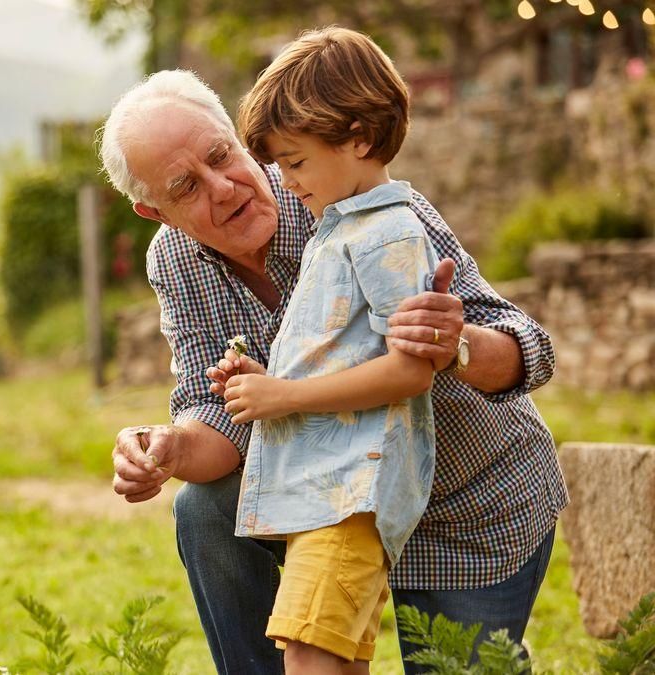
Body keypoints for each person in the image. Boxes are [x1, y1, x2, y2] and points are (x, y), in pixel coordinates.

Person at [99, 67, 567, 674]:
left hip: (463, 501)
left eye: (222, 155)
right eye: (186, 186)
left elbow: (530, 349)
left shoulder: (357, 198)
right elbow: (219, 413)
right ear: (154, 211)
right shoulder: (176, 259)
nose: (222, 187)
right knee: (203, 509)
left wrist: (458, 340)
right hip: (331, 501)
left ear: (238, 136)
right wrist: (167, 447)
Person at [215, 27, 441, 674]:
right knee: (328, 655)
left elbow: (411, 369)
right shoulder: (341, 228)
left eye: (296, 161)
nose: (285, 184)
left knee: (312, 656)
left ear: (360, 138)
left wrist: (284, 395)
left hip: (352, 491)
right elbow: (348, 355)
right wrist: (267, 379)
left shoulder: (386, 234)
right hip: (327, 489)